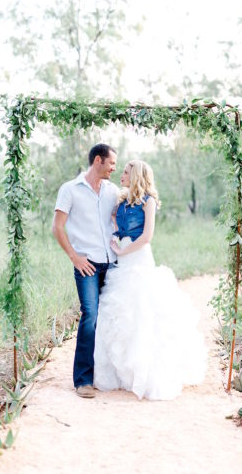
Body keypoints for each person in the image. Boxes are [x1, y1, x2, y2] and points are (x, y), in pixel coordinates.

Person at [94, 160, 207, 400]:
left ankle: (144, 371)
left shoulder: (149, 202)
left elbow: (147, 236)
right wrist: (117, 236)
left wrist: (124, 250)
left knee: (142, 309)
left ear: (135, 176)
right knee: (120, 311)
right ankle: (119, 372)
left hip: (138, 258)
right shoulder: (122, 201)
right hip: (122, 259)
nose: (121, 175)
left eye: (125, 172)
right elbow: (116, 224)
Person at [52, 143, 118, 398]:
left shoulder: (113, 191)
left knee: (112, 317)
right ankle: (83, 380)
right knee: (90, 315)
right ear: (98, 160)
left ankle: (108, 375)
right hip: (87, 264)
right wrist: (74, 257)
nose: (114, 168)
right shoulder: (70, 190)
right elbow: (58, 227)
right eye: (111, 163)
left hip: (111, 263)